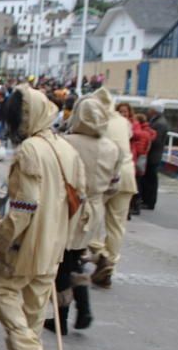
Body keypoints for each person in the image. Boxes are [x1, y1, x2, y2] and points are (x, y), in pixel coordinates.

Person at [0, 85, 84, 350]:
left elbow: (23, 206)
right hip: (55, 239)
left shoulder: (30, 150)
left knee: (3, 290)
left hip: (27, 240)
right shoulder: (67, 148)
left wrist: (2, 236)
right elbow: (81, 198)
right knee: (34, 300)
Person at [45, 94, 122, 334]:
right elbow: (114, 185)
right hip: (94, 208)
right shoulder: (112, 147)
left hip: (68, 206)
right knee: (76, 258)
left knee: (62, 262)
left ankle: (62, 315)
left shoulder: (65, 141)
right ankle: (83, 308)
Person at [88, 88, 139, 288]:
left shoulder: (98, 121)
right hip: (127, 174)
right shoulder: (123, 122)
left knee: (90, 220)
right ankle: (110, 265)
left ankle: (102, 256)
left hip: (105, 175)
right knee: (116, 226)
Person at [140, 99, 169, 210]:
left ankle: (149, 201)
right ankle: (147, 200)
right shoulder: (157, 121)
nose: (148, 111)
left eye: (150, 109)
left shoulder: (159, 123)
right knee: (149, 179)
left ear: (154, 111)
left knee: (151, 179)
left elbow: (156, 140)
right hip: (153, 155)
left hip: (153, 155)